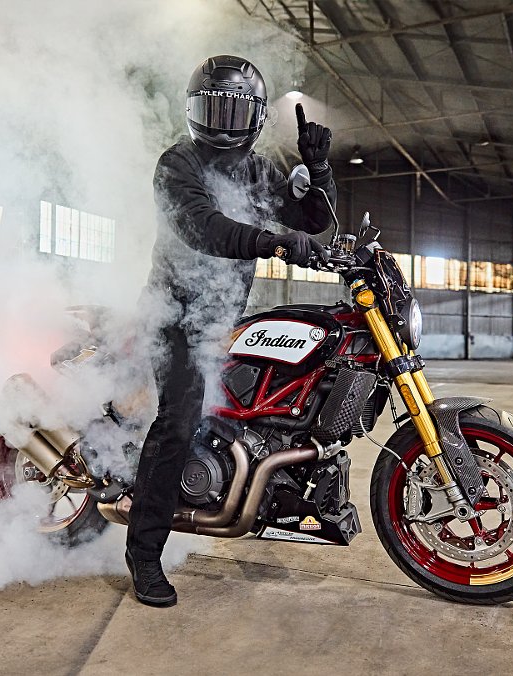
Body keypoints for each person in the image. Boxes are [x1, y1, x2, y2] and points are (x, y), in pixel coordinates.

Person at [125, 54, 337, 607]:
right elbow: (205, 229)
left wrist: (319, 171)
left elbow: (316, 223)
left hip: (223, 316)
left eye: (233, 110)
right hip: (173, 316)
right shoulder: (177, 165)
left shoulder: (261, 171)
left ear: (256, 116)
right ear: (193, 112)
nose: (222, 123)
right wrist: (272, 242)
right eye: (211, 108)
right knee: (178, 421)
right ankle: (144, 555)